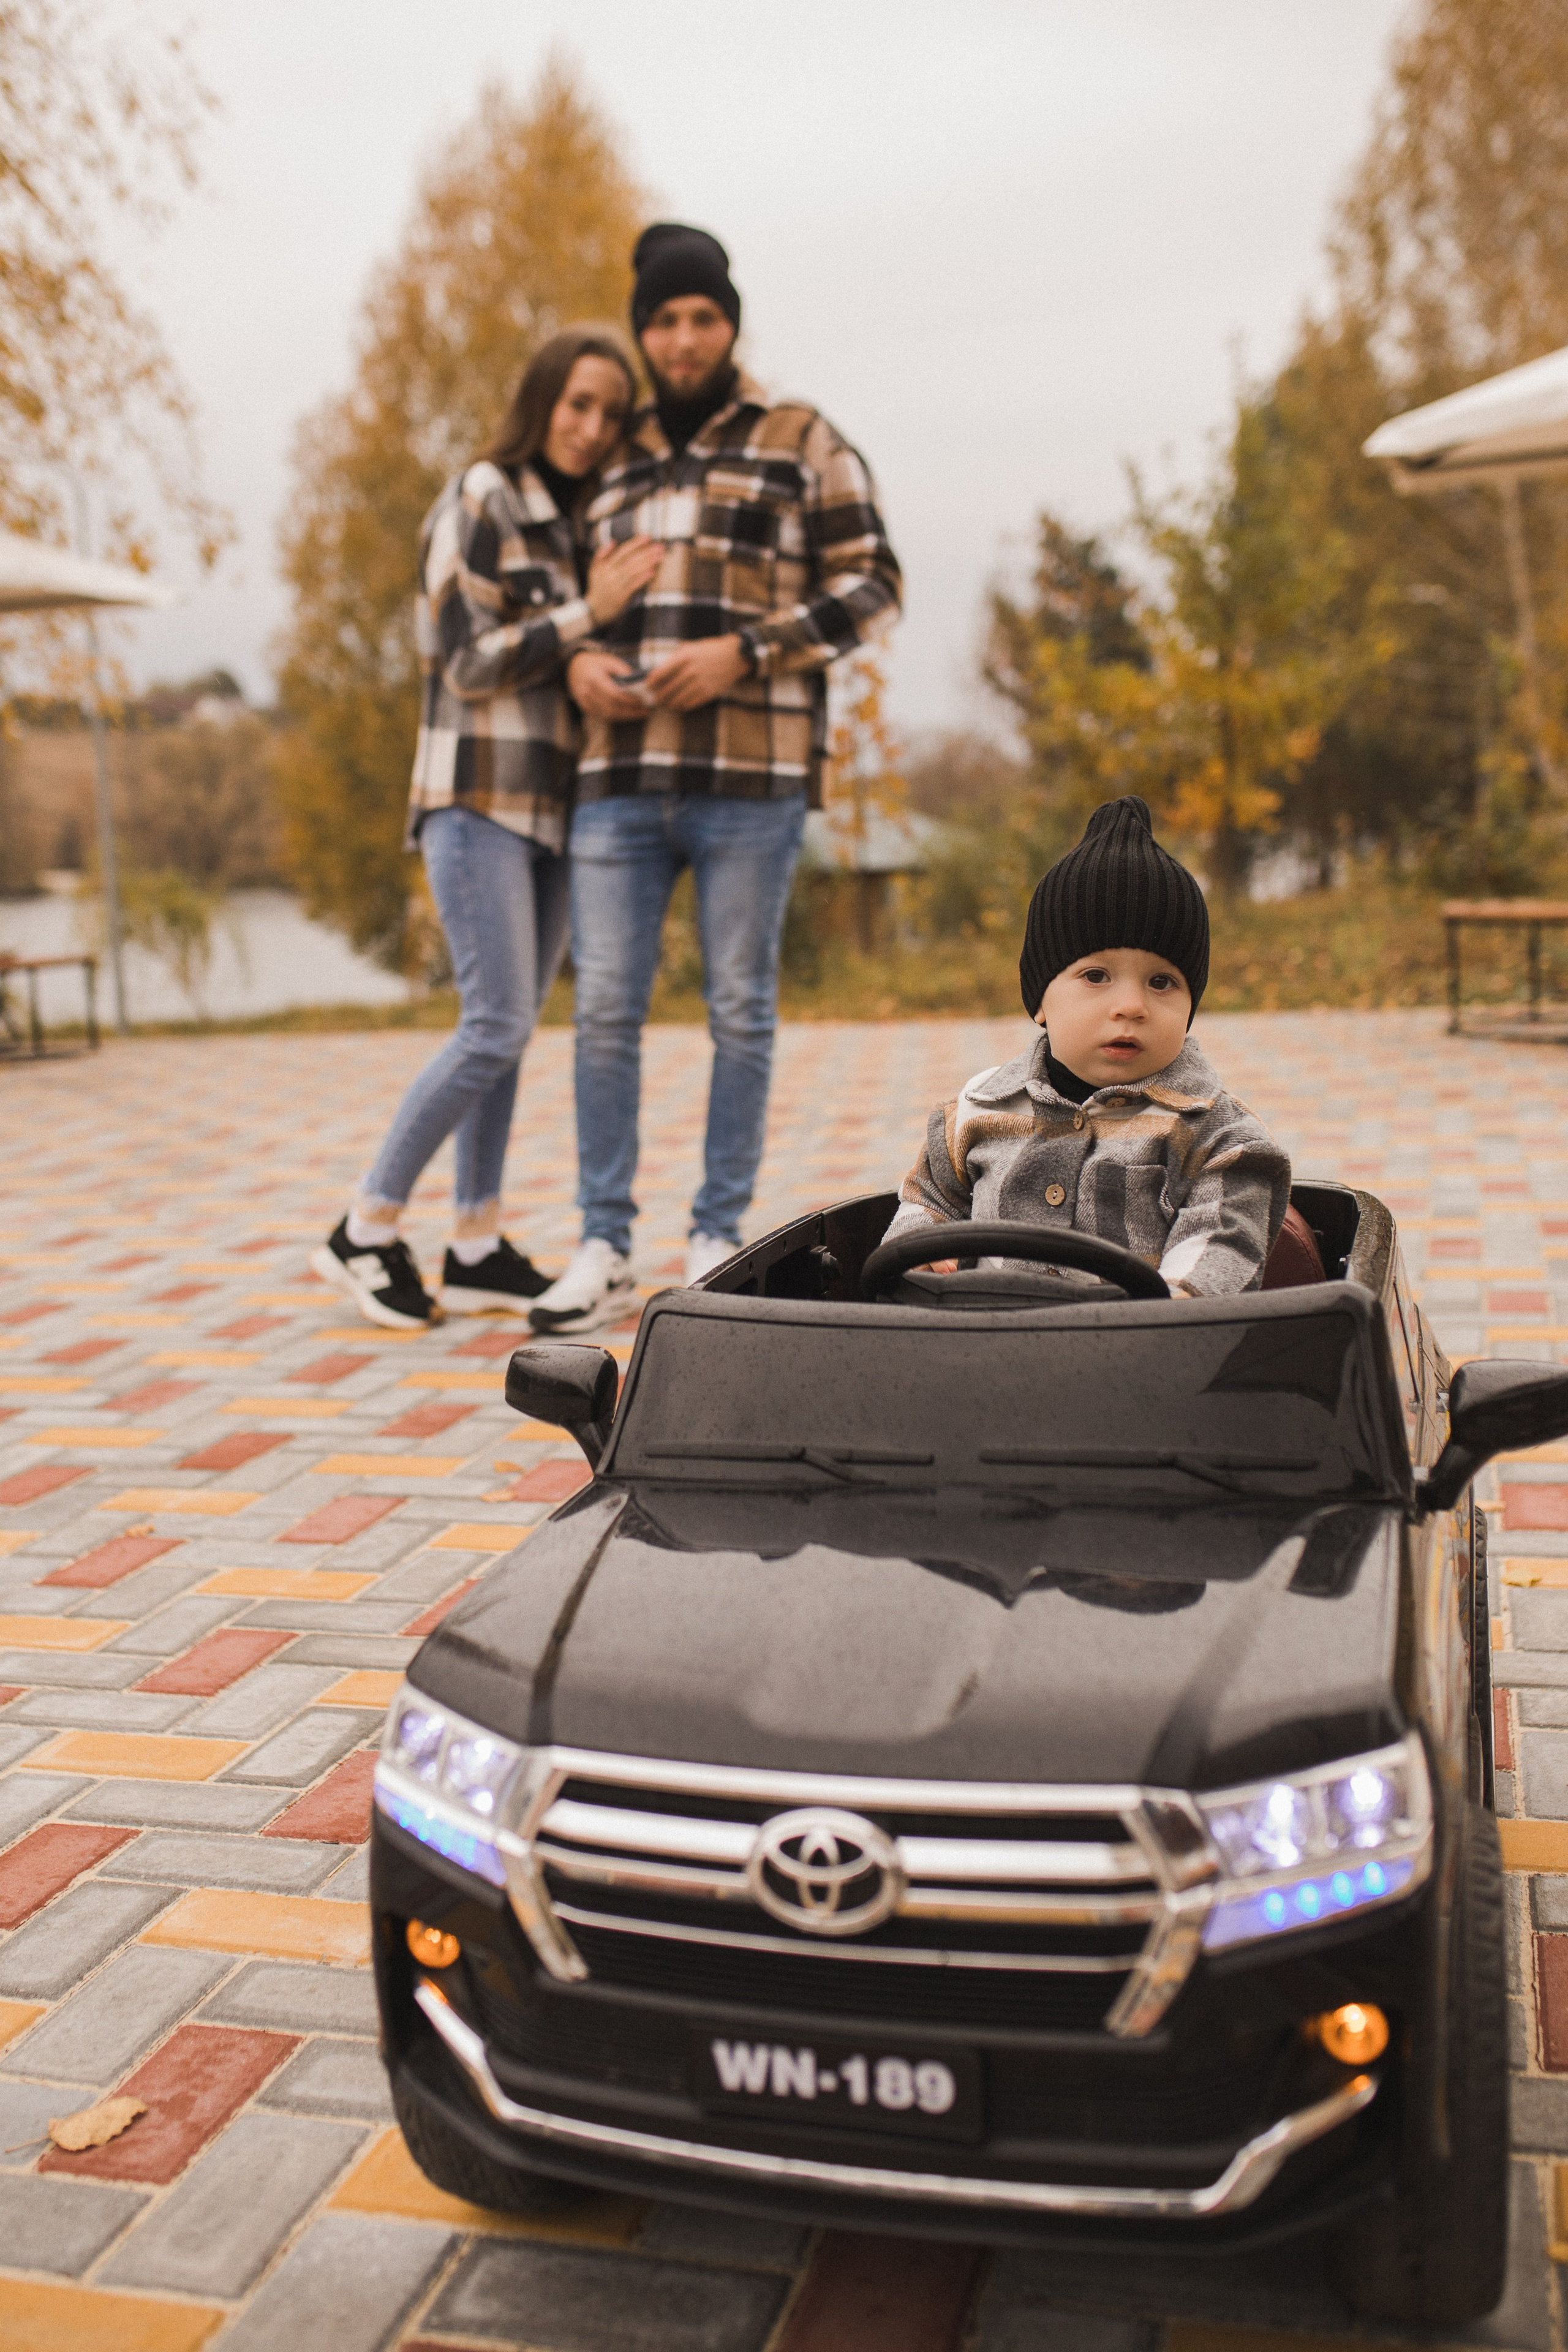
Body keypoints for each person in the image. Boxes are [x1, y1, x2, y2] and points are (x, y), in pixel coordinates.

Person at [527, 222, 903, 1336]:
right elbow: (554, 601)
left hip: (753, 777)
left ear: (729, 322)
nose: (682, 337)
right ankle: (601, 1240)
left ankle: (714, 1231)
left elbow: (876, 579)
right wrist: (579, 663)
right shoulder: (609, 450)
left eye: (702, 316)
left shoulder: (800, 436)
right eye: (663, 319)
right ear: (643, 331)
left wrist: (745, 652)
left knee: (739, 1009)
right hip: (618, 777)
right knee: (603, 1011)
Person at [313, 327, 662, 1330]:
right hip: (473, 796)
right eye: (578, 403)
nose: (592, 428)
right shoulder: (484, 494)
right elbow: (463, 660)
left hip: (553, 807)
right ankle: (366, 1227)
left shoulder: (571, 519)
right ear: (542, 397)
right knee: (495, 1022)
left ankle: (474, 1243)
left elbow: (562, 657)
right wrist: (588, 613)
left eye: (610, 411)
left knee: (508, 1035)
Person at [884, 796, 1290, 1296]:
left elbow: (1221, 1246)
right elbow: (928, 1197)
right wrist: (923, 1245)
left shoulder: (1219, 1138)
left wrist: (1178, 1310)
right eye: (1096, 976)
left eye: (1162, 982)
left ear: (1191, 1007)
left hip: (1135, 1361)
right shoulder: (974, 1112)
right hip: (980, 1351)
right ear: (1040, 1004)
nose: (1131, 1005)